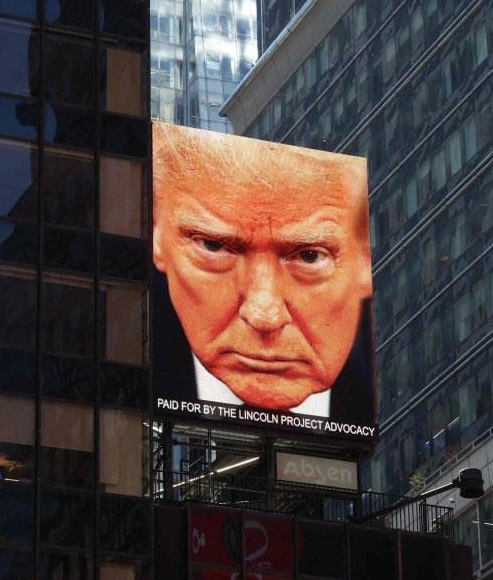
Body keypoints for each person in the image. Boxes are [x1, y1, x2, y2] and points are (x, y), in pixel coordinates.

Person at [152, 122, 375, 423]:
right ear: (155, 233)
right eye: (213, 246)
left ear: (364, 258)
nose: (264, 315)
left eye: (309, 257)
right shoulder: (124, 355)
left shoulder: (382, 389)